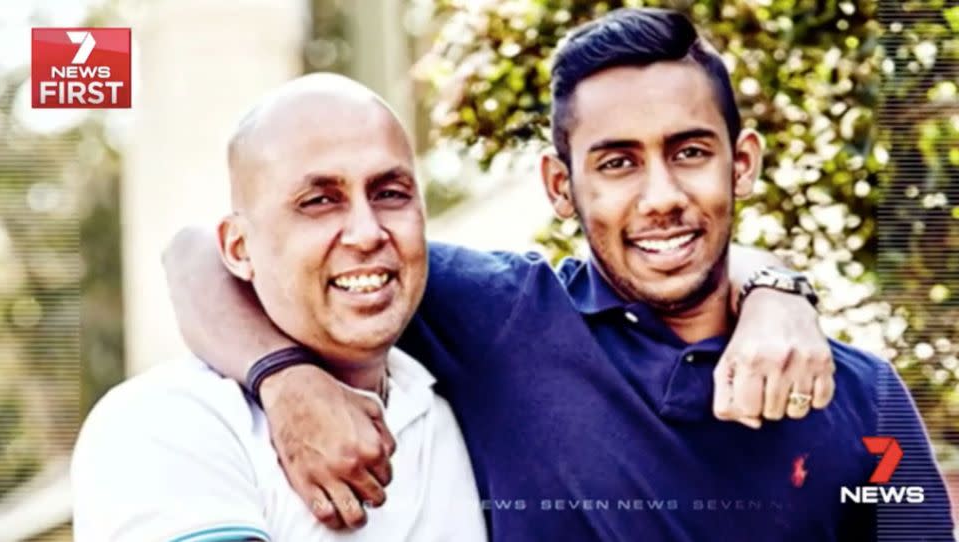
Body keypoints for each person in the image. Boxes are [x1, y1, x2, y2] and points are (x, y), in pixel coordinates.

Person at [157, 8, 894, 541]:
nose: (662, 196)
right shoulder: (498, 316)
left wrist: (779, 288)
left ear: (742, 164)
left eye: (691, 152)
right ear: (557, 185)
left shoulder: (865, 399)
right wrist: (285, 380)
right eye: (616, 163)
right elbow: (195, 255)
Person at [71, 74, 488, 542]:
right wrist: (284, 377)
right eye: (319, 201)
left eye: (390, 193)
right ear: (238, 248)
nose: (367, 232)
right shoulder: (162, 423)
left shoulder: (466, 406)